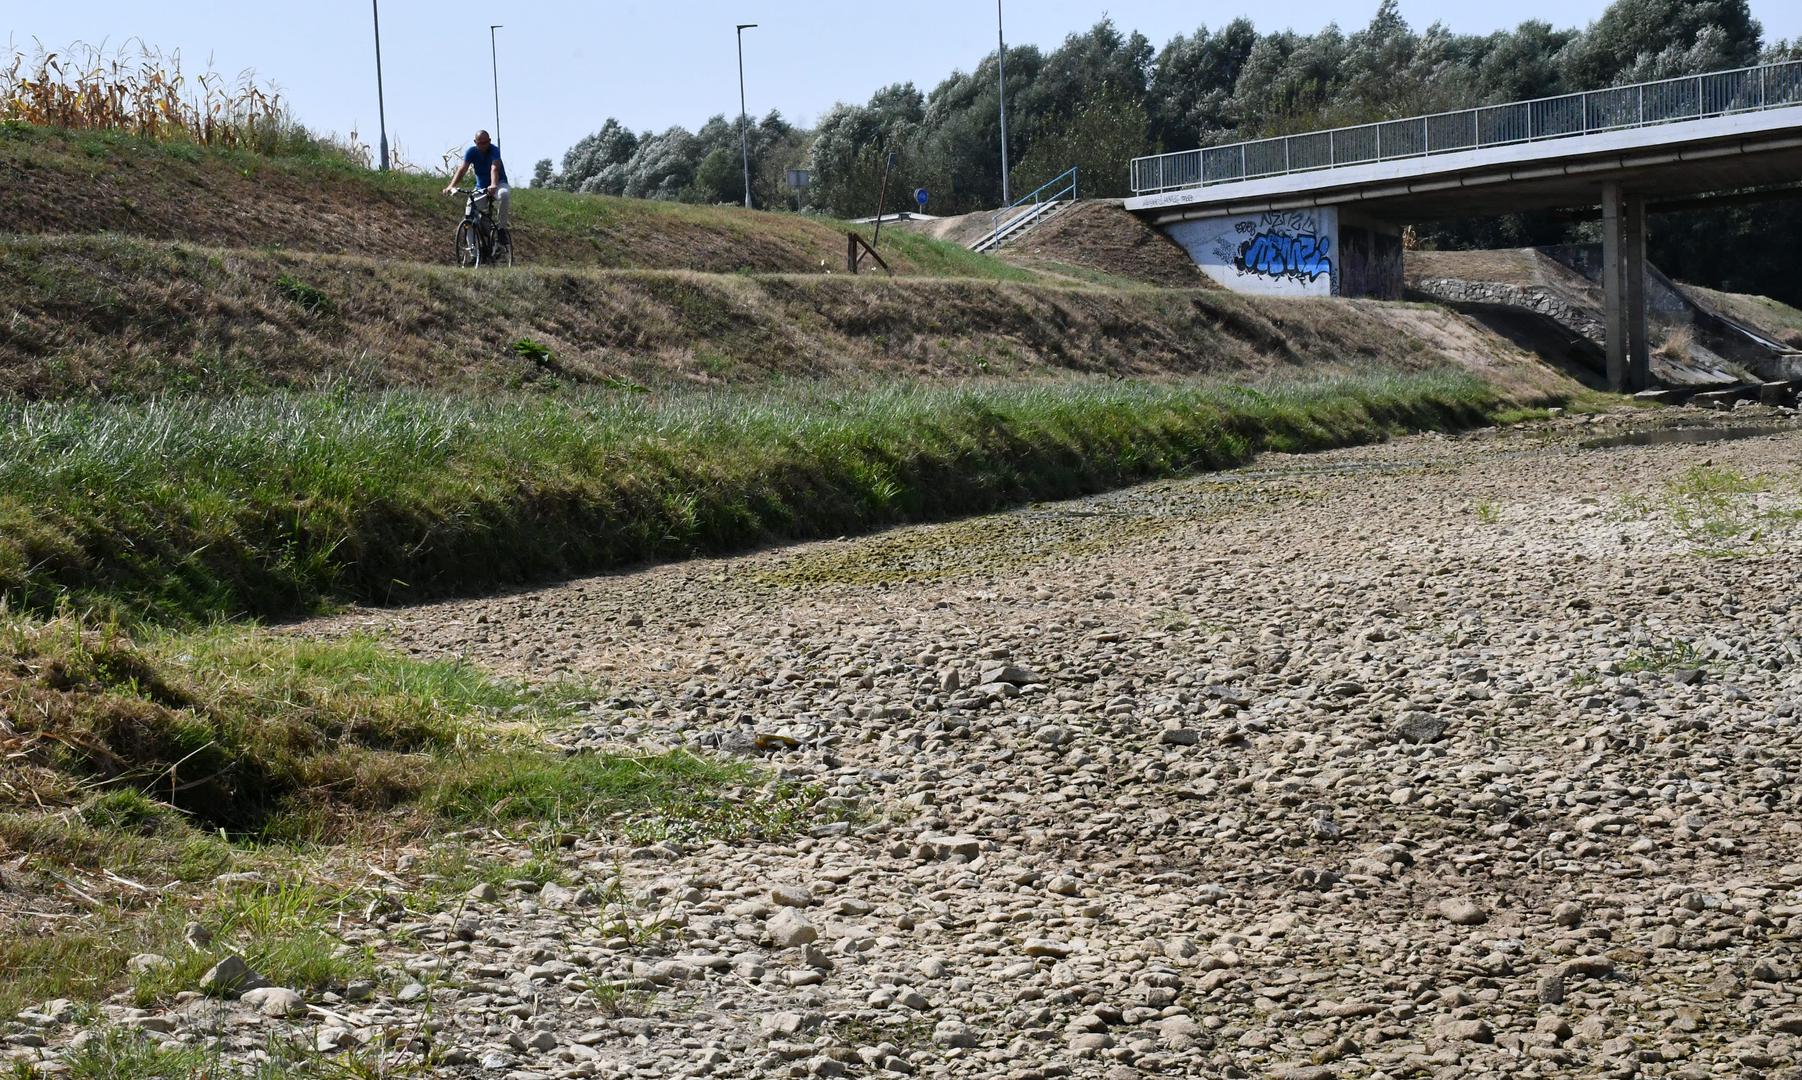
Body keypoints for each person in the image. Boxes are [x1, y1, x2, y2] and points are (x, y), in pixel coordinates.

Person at [444, 130, 511, 246]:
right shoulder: (471, 152)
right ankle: (473, 253)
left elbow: (494, 168)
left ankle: (501, 230)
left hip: (498, 184)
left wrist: (494, 184)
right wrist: (451, 186)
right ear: (475, 142)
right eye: (481, 143)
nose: (484, 145)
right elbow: (462, 169)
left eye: (486, 142)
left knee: (504, 195)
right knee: (468, 217)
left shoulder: (494, 150)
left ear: (490, 141)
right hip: (481, 187)